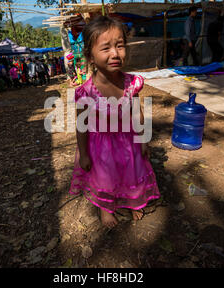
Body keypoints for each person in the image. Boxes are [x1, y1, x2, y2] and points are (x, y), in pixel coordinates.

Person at [69, 15, 160, 229]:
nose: (115, 53)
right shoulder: (86, 92)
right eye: (106, 48)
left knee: (132, 171)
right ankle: (106, 207)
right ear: (90, 56)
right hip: (101, 147)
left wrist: (143, 139)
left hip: (129, 141)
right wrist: (83, 154)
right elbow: (81, 126)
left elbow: (137, 112)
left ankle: (133, 199)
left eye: (119, 46)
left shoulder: (131, 83)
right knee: (106, 178)